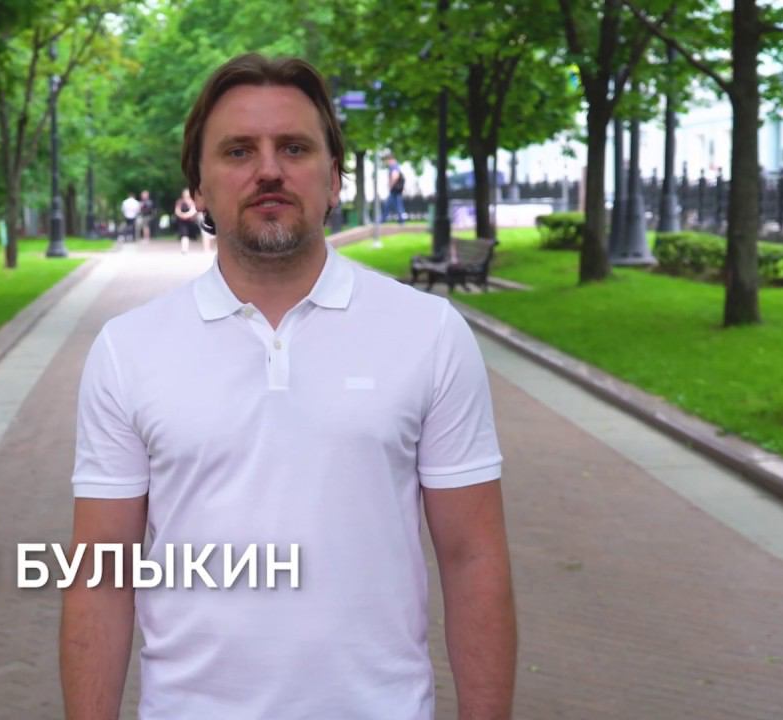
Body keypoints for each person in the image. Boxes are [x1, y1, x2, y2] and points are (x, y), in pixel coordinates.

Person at [61, 53, 515, 720]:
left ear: (334, 179)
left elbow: (474, 559)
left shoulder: (429, 333)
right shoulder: (127, 351)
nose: (269, 170)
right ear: (199, 188)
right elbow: (100, 578)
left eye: (294, 148)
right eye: (238, 151)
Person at [173, 188, 200, 254]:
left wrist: (186, 215)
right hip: (182, 222)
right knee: (184, 234)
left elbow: (194, 210)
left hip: (191, 221)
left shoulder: (192, 201)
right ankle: (184, 249)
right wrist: (182, 215)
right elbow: (177, 210)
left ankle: (187, 248)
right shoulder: (180, 202)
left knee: (190, 235)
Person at [384, 153, 406, 224]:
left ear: (390, 160)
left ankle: (382, 219)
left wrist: (390, 185)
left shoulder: (393, 166)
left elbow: (395, 176)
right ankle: (401, 220)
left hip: (394, 189)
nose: (386, 162)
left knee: (389, 205)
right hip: (397, 190)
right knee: (397, 205)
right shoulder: (396, 166)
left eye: (387, 161)